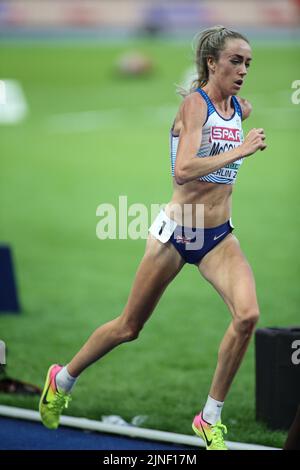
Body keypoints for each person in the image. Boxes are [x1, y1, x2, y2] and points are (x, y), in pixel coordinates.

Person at [39, 26, 266, 451]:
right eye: (236, 61)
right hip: (176, 233)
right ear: (212, 62)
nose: (243, 70)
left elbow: (235, 120)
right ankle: (62, 377)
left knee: (247, 315)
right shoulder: (193, 107)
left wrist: (241, 127)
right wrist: (242, 149)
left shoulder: (238, 107)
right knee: (129, 327)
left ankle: (209, 417)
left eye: (249, 63)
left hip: (217, 235)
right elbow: (182, 170)